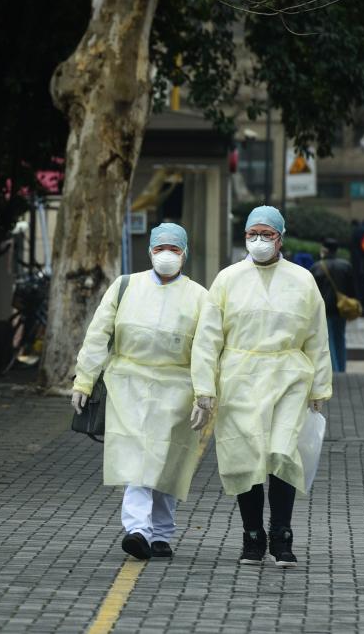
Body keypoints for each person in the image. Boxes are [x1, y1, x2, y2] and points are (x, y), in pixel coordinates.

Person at [192, 206, 332, 568]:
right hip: (239, 377)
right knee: (245, 455)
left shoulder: (302, 280)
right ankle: (252, 535)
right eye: (252, 233)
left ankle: (281, 535)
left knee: (282, 453)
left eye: (266, 234)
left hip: (289, 377)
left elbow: (317, 337)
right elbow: (207, 338)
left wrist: (319, 387)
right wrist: (203, 388)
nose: (258, 241)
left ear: (280, 237)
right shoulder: (227, 280)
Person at [71, 223, 208, 560]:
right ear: (149, 252)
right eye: (160, 248)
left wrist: (205, 394)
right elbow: (98, 334)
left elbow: (207, 349)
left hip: (177, 390)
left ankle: (161, 534)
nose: (166, 255)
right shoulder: (125, 287)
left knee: (166, 461)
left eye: (174, 249)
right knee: (137, 461)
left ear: (184, 254)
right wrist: (84, 380)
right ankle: (138, 530)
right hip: (126, 385)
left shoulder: (199, 297)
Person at [310, 238, 357, 373]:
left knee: (328, 340)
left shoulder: (317, 267)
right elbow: (352, 289)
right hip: (341, 309)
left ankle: (334, 371)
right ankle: (342, 368)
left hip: (324, 310)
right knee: (340, 338)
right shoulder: (346, 266)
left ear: (324, 250)